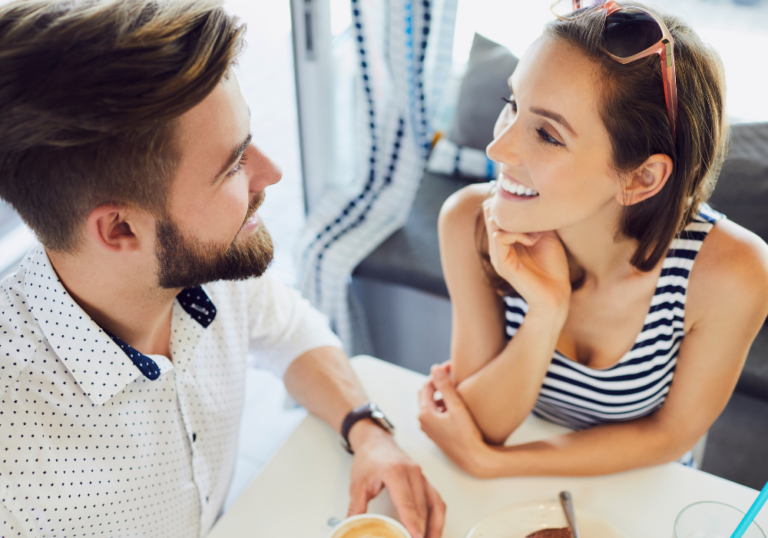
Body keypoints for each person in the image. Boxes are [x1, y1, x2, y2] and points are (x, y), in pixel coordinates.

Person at [0, 1, 445, 537]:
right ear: (119, 230)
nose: (272, 173)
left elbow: (287, 327)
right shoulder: (14, 457)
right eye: (234, 164)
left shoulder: (207, 267)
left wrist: (367, 429)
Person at [417, 1, 768, 478]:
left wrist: (498, 464)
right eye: (512, 105)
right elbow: (478, 424)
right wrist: (545, 313)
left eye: (547, 133)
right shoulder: (470, 223)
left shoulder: (734, 273)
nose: (496, 147)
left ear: (641, 177)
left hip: (641, 489)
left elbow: (670, 436)